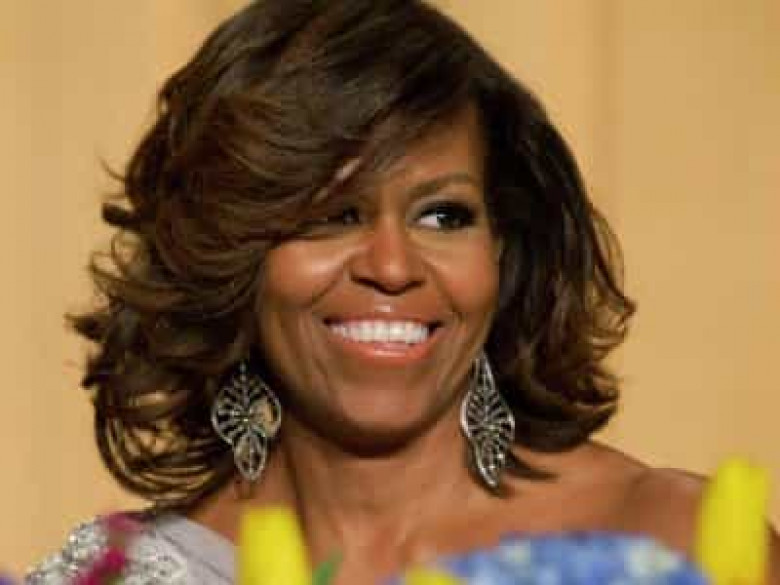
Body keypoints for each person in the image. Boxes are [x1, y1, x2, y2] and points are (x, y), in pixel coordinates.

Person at [27, 1, 779, 584]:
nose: (392, 266)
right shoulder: (120, 575)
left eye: (444, 216)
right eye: (331, 216)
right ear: (228, 251)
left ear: (501, 252)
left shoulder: (673, 543)